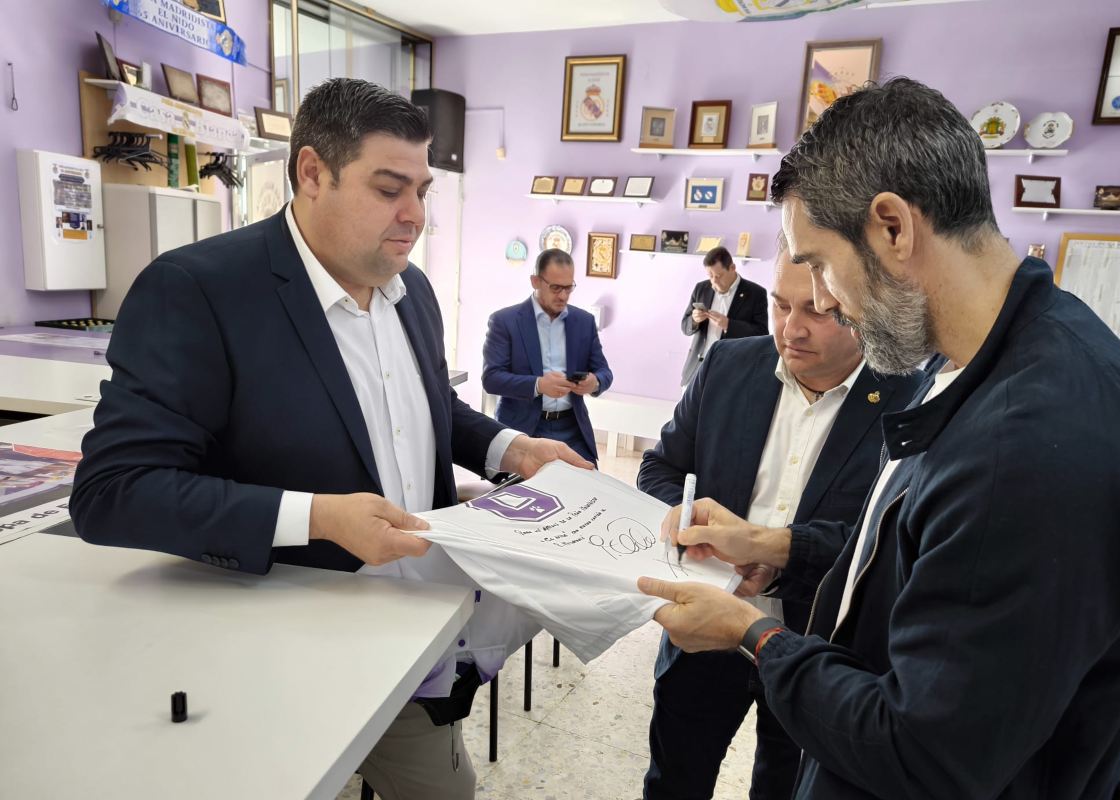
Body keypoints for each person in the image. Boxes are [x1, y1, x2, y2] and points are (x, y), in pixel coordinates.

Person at [638, 77, 1120, 799]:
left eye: (824, 265)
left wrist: (753, 635)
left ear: (893, 228)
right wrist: (769, 550)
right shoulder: (984, 362)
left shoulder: (1030, 448)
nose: (825, 300)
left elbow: (925, 756)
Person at [70, 78, 590, 800]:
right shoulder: (198, 290)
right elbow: (112, 494)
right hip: (274, 659)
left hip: (420, 640)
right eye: (388, 189)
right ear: (312, 173)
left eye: (422, 190)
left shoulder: (413, 290)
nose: (414, 217)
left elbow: (422, 407)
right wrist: (316, 517)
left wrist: (507, 449)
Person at [639, 240, 923, 800]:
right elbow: (662, 467)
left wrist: (772, 556)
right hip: (702, 635)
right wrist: (680, 514)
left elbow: (886, 541)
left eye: (817, 310)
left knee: (785, 788)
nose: (791, 328)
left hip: (817, 647)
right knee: (674, 780)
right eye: (779, 304)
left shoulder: (909, 398)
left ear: (862, 304)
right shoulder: (728, 365)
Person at [482, 248, 612, 465]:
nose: (563, 296)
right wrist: (539, 385)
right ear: (535, 281)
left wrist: (595, 382)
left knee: (588, 493)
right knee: (522, 496)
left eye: (568, 288)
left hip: (573, 429)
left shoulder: (584, 322)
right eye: (555, 288)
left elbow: (605, 372)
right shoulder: (505, 321)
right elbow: (491, 379)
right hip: (522, 431)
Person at [680, 246, 768, 386]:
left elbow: (762, 334)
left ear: (732, 268)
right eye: (710, 276)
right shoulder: (701, 288)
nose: (714, 281)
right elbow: (685, 326)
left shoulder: (756, 293)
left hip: (731, 373)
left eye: (718, 276)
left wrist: (729, 325)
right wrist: (694, 320)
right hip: (695, 370)